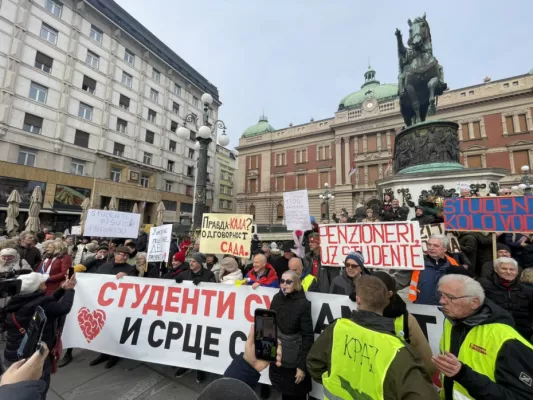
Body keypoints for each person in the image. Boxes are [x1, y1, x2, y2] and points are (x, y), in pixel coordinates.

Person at [307, 275, 439, 399]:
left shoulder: (337, 328)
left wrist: (336, 382)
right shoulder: (399, 351)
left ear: (359, 299)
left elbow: (315, 365)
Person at [433, 274, 533, 399]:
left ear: (474, 302)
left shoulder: (505, 339)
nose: (441, 301)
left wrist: (463, 375)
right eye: (441, 294)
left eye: (450, 297)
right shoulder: (451, 321)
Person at [1, 272, 76, 399]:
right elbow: (63, 308)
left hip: (13, 352)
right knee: (38, 385)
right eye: (41, 282)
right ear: (36, 287)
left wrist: (61, 290)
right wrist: (70, 290)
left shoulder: (16, 301)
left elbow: (47, 302)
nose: (44, 283)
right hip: (33, 353)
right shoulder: (41, 303)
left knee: (19, 385)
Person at [373, 271, 436, 377]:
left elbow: (428, 363)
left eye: (376, 290)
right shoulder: (359, 315)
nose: (371, 295)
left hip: (395, 381)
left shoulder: (407, 321)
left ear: (389, 294)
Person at [89, 246, 137, 369]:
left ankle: (114, 356)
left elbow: (136, 284)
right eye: (121, 254)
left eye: (126, 255)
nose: (124, 256)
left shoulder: (130, 269)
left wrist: (127, 276)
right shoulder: (105, 266)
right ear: (115, 254)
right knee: (104, 329)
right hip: (102, 305)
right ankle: (103, 354)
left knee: (116, 331)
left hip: (119, 306)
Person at [269, 270, 314, 400]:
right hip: (279, 356)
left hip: (295, 360)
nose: (284, 284)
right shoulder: (276, 298)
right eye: (282, 281)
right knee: (283, 392)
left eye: (289, 282)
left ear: (296, 284)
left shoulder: (303, 304)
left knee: (295, 394)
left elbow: (308, 336)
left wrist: (302, 367)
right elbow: (271, 325)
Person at [174, 252, 215, 382]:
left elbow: (217, 292)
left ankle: (200, 369)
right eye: (190, 260)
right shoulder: (184, 274)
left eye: (194, 261)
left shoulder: (209, 275)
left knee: (199, 342)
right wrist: (176, 280)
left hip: (203, 314)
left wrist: (203, 284)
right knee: (185, 341)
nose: (191, 263)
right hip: (186, 313)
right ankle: (185, 365)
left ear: (200, 263)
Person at [479, 257, 533, 340]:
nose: (508, 272)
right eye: (504, 269)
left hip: (522, 334)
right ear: (496, 270)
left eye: (512, 269)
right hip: (494, 334)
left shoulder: (527, 290)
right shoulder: (483, 287)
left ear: (517, 272)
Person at [398, 234, 462, 305]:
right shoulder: (418, 262)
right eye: (429, 244)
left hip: (445, 308)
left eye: (436, 246)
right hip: (421, 306)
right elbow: (399, 281)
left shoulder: (454, 265)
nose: (431, 248)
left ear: (445, 249)